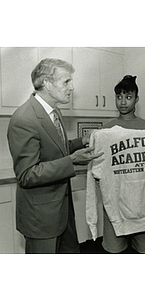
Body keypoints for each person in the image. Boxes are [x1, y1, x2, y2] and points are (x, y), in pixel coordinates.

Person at [7, 58, 102, 254]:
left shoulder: (53, 111)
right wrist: (72, 161)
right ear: (47, 84)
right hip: (41, 217)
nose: (72, 87)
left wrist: (81, 141)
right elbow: (27, 174)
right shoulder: (24, 119)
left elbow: (54, 150)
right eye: (66, 81)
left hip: (62, 210)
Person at [100, 75, 145, 253]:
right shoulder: (107, 130)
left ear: (136, 99)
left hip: (144, 202)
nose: (123, 102)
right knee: (114, 250)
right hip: (116, 201)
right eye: (119, 97)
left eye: (128, 97)